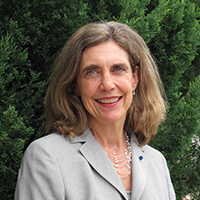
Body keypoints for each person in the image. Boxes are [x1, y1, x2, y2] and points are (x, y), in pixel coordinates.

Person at [15, 21, 176, 200]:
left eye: (118, 69)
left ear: (135, 78)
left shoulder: (157, 163)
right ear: (75, 84)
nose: (107, 84)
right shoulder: (47, 157)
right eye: (92, 72)